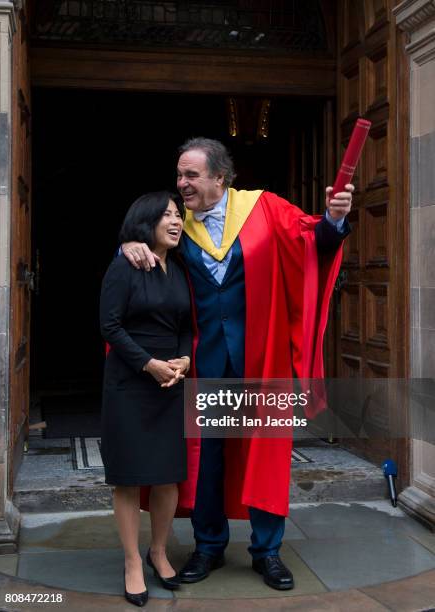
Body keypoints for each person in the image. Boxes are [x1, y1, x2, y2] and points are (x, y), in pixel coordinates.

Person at [122, 138, 353, 591]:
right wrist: (129, 246)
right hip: (205, 360)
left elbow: (315, 242)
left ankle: (267, 552)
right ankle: (208, 546)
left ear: (220, 178)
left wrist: (336, 218)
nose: (180, 184)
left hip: (262, 358)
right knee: (207, 458)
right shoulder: (174, 223)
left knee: (267, 452)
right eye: (179, 175)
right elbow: (139, 251)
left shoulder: (264, 208)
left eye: (190, 175)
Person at [100, 191, 192, 607]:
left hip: (170, 383)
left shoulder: (180, 268)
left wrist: (185, 358)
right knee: (128, 476)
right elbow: (110, 326)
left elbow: (187, 324)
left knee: (168, 474)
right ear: (146, 222)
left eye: (179, 215)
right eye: (167, 216)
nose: (176, 221)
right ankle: (133, 560)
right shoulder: (127, 264)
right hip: (131, 381)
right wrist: (149, 364)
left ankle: (158, 550)